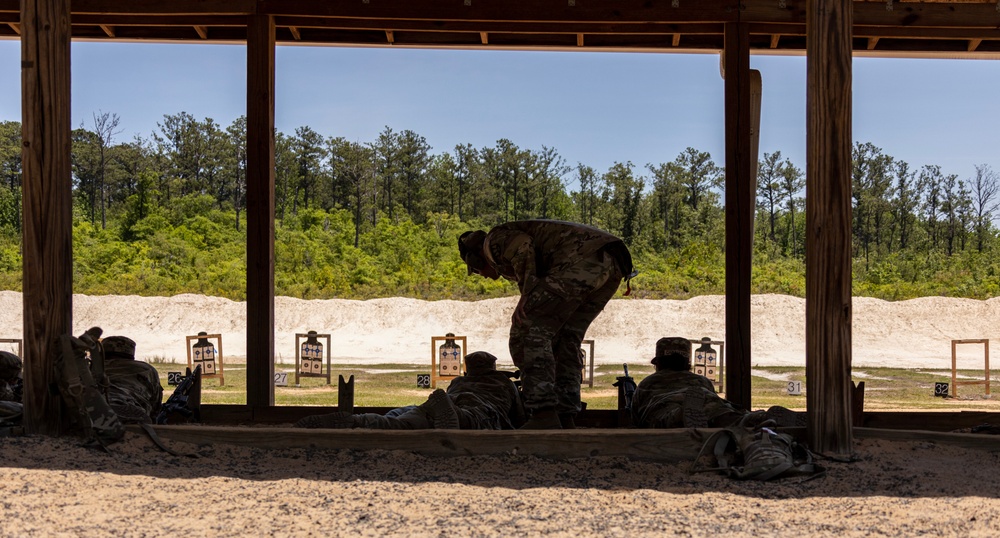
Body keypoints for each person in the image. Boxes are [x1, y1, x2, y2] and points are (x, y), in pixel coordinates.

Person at [458, 220, 634, 429]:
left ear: (476, 258)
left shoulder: (493, 241)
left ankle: (543, 413)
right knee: (566, 340)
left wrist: (528, 291)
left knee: (526, 333)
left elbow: (523, 245)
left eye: (477, 270)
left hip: (580, 260)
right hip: (613, 264)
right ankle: (565, 415)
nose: (485, 276)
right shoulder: (508, 237)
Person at [295, 351, 524, 430]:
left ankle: (359, 420)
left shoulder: (458, 382)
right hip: (478, 408)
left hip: (446, 401)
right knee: (473, 418)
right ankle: (456, 416)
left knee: (404, 420)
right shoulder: (504, 383)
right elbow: (519, 418)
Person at [632, 337, 804, 429]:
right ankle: (759, 417)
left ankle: (680, 414)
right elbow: (712, 397)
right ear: (688, 364)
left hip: (666, 404)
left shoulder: (648, 382)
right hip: (705, 397)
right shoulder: (700, 380)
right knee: (724, 416)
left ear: (659, 363)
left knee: (666, 419)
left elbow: (636, 415)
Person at [101, 336, 164, 424]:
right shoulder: (146, 369)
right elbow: (155, 404)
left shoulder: (93, 367)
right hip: (130, 405)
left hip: (95, 403)